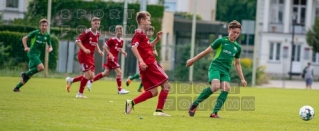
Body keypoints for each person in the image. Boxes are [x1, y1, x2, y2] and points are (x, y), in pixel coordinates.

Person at [186, 20, 247, 118]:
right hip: (215, 67)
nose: (235, 34)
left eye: (238, 33)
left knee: (226, 88)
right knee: (215, 86)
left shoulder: (237, 47)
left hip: (225, 71)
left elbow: (237, 64)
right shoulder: (221, 41)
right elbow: (206, 51)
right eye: (234, 32)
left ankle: (214, 113)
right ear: (229, 30)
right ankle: (194, 104)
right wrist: (193, 60)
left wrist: (242, 79)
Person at [124, 11, 171, 116]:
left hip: (146, 66)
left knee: (153, 92)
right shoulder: (139, 33)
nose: (150, 22)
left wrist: (157, 40)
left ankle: (131, 103)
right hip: (150, 63)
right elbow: (133, 47)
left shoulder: (142, 34)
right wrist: (141, 60)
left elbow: (147, 47)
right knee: (166, 86)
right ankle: (158, 111)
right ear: (142, 20)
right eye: (148, 20)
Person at [65, 17, 103, 98]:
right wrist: (84, 49)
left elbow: (95, 44)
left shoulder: (98, 34)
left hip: (90, 56)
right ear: (91, 23)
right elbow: (77, 41)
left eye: (98, 24)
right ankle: (79, 93)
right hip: (83, 55)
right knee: (88, 74)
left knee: (92, 76)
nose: (96, 25)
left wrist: (99, 51)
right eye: (95, 23)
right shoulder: (87, 32)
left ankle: (71, 80)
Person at [86, 25, 130, 94]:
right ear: (115, 32)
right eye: (118, 31)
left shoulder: (122, 40)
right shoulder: (112, 39)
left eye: (121, 31)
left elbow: (119, 49)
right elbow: (104, 46)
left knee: (105, 73)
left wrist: (123, 52)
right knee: (119, 72)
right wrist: (110, 53)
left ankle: (91, 81)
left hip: (115, 58)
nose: (119, 32)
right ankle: (119, 90)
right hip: (111, 59)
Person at [13, 18, 53, 92]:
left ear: (47, 26)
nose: (44, 27)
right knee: (41, 67)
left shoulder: (47, 36)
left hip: (37, 55)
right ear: (40, 26)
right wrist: (25, 47)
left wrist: (50, 49)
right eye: (42, 25)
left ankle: (17, 87)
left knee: (30, 75)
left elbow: (50, 46)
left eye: (45, 26)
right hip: (31, 53)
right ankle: (24, 74)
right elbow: (24, 38)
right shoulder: (35, 33)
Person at [126, 26, 158, 92]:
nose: (150, 32)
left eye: (151, 31)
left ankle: (136, 83)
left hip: (149, 58)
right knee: (145, 74)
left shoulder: (152, 39)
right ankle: (135, 81)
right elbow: (137, 46)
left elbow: (154, 49)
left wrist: (155, 52)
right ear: (146, 31)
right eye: (149, 31)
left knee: (146, 74)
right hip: (143, 58)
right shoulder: (143, 37)